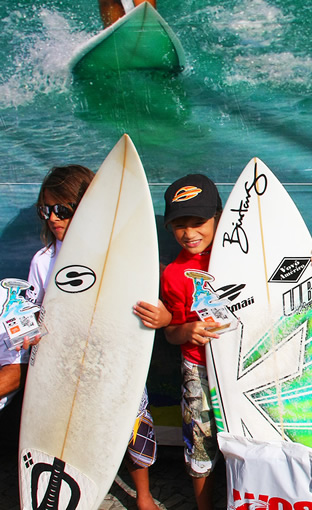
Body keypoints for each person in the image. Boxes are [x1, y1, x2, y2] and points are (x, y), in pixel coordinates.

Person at [160, 173, 312, 510]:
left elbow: (286, 275)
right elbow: (171, 331)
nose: (189, 233)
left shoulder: (250, 254)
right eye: (179, 225)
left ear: (219, 217)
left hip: (254, 364)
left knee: (260, 437)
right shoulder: (174, 274)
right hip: (199, 368)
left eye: (198, 223)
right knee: (200, 443)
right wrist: (187, 331)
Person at [27, 164, 165, 510]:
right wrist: (28, 331)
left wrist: (163, 316)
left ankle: (143, 495)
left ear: (88, 207)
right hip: (63, 362)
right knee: (67, 429)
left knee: (131, 427)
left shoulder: (120, 255)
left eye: (62, 210)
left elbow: (149, 302)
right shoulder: (44, 261)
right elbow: (33, 310)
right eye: (46, 210)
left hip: (114, 357)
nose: (53, 218)